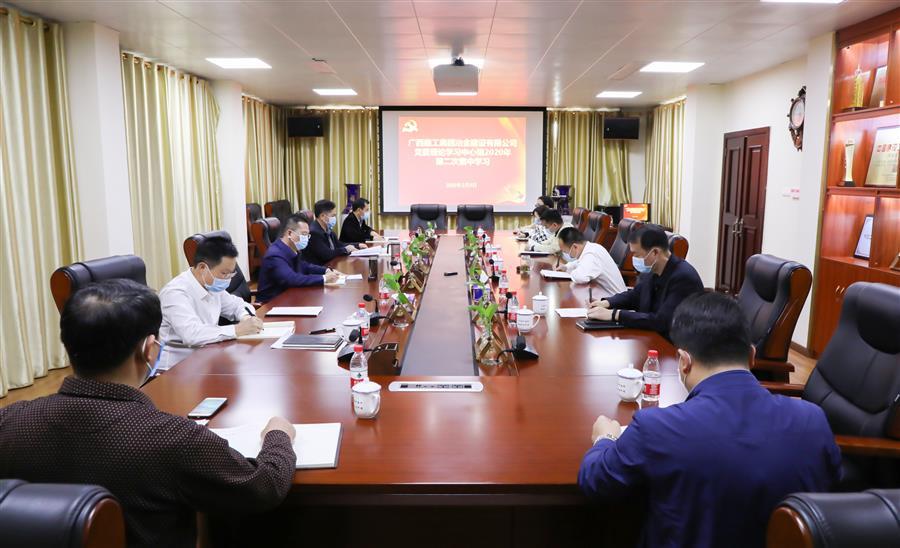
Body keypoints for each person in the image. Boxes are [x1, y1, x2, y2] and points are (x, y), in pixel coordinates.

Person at [0, 280, 297, 548]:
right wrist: (278, 436)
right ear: (149, 350)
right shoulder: (173, 438)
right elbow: (264, 487)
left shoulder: (10, 421)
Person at [578, 292, 840, 548]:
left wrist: (605, 438)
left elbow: (596, 481)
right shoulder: (813, 420)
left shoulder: (656, 427)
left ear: (683, 362)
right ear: (751, 356)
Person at [159, 236, 263, 368]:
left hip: (208, 356)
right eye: (224, 273)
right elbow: (192, 335)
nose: (228, 279)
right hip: (177, 367)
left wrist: (246, 317)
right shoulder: (175, 293)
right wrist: (238, 329)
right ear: (202, 267)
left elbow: (237, 305)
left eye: (231, 274)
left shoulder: (211, 286)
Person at [588, 226, 703, 337]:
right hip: (650, 335)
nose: (633, 258)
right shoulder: (653, 269)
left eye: (637, 254)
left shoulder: (683, 278)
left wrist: (614, 314)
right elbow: (635, 295)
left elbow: (661, 322)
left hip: (673, 343)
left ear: (655, 252)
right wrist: (607, 303)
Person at [257, 213, 343, 303]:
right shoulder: (275, 255)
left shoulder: (292, 248)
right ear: (289, 233)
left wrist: (326, 271)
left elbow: (305, 266)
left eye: (307, 235)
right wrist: (324, 278)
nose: (306, 238)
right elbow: (292, 279)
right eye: (304, 234)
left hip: (290, 297)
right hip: (272, 304)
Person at [557, 227, 626, 296]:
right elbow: (579, 263)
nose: (566, 254)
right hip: (602, 295)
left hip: (614, 299)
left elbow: (580, 277)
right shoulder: (590, 248)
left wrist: (570, 272)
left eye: (565, 251)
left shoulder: (592, 254)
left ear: (575, 247)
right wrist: (566, 267)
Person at [303, 199, 358, 265]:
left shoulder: (328, 229)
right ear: (322, 216)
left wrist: (357, 245)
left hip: (331, 263)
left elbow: (339, 244)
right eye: (333, 215)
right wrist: (346, 249)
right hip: (320, 267)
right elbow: (326, 254)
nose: (334, 218)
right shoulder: (314, 232)